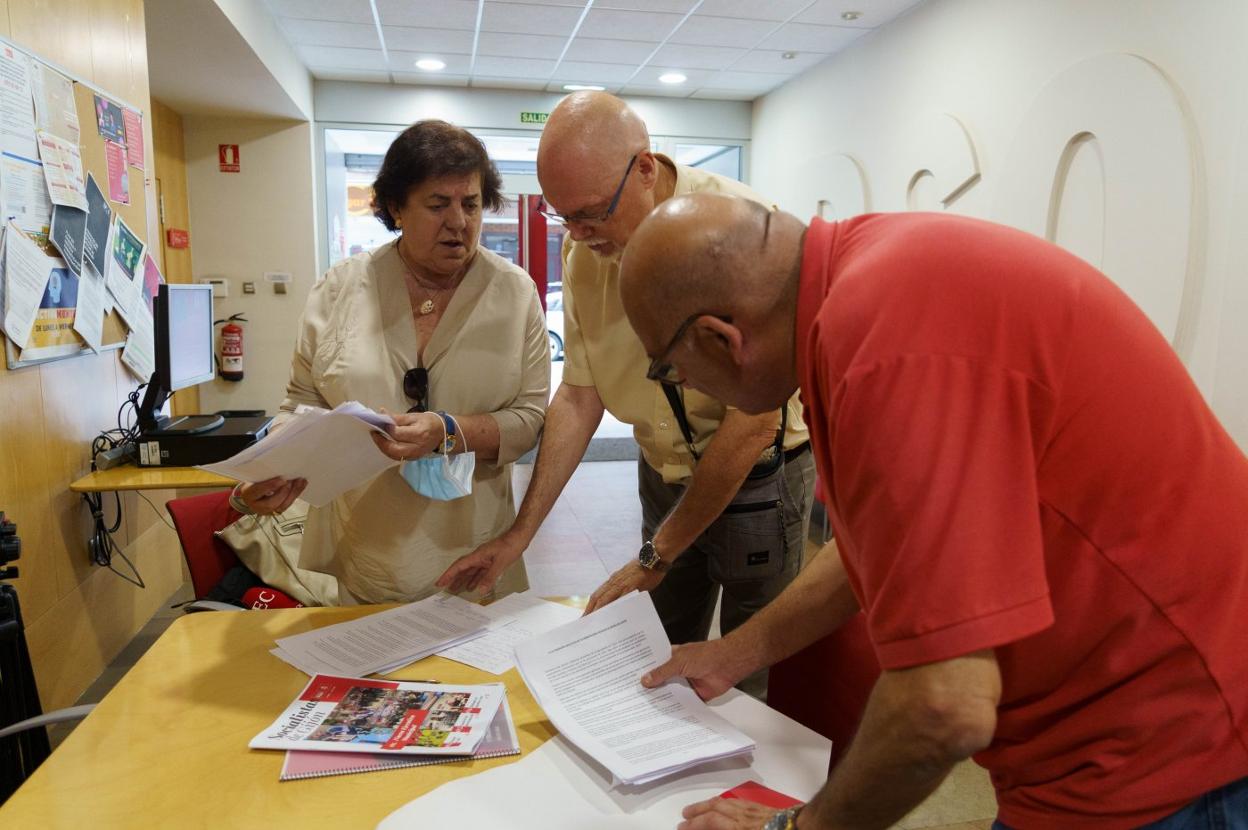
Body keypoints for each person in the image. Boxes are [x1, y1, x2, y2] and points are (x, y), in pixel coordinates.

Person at [619, 194, 1248, 830]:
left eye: (670, 370)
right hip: (1129, 725)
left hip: (1174, 747)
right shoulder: (868, 280)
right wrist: (731, 654)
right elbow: (883, 548)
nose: (685, 389)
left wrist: (792, 829)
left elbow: (944, 706)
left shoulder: (882, 341)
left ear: (720, 338)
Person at [436, 93, 815, 660]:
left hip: (758, 476)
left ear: (643, 169)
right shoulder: (583, 250)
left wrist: (656, 556)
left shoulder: (745, 228)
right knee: (659, 653)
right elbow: (580, 395)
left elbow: (756, 420)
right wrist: (520, 535)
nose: (579, 233)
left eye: (590, 213)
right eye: (563, 216)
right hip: (663, 473)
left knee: (750, 664)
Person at [234, 120, 549, 605]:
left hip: (474, 545)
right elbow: (301, 401)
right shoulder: (339, 289)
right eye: (437, 204)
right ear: (396, 207)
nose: (459, 222)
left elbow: (530, 420)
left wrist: (448, 431)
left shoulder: (514, 293)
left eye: (469, 203)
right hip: (367, 546)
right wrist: (276, 467)